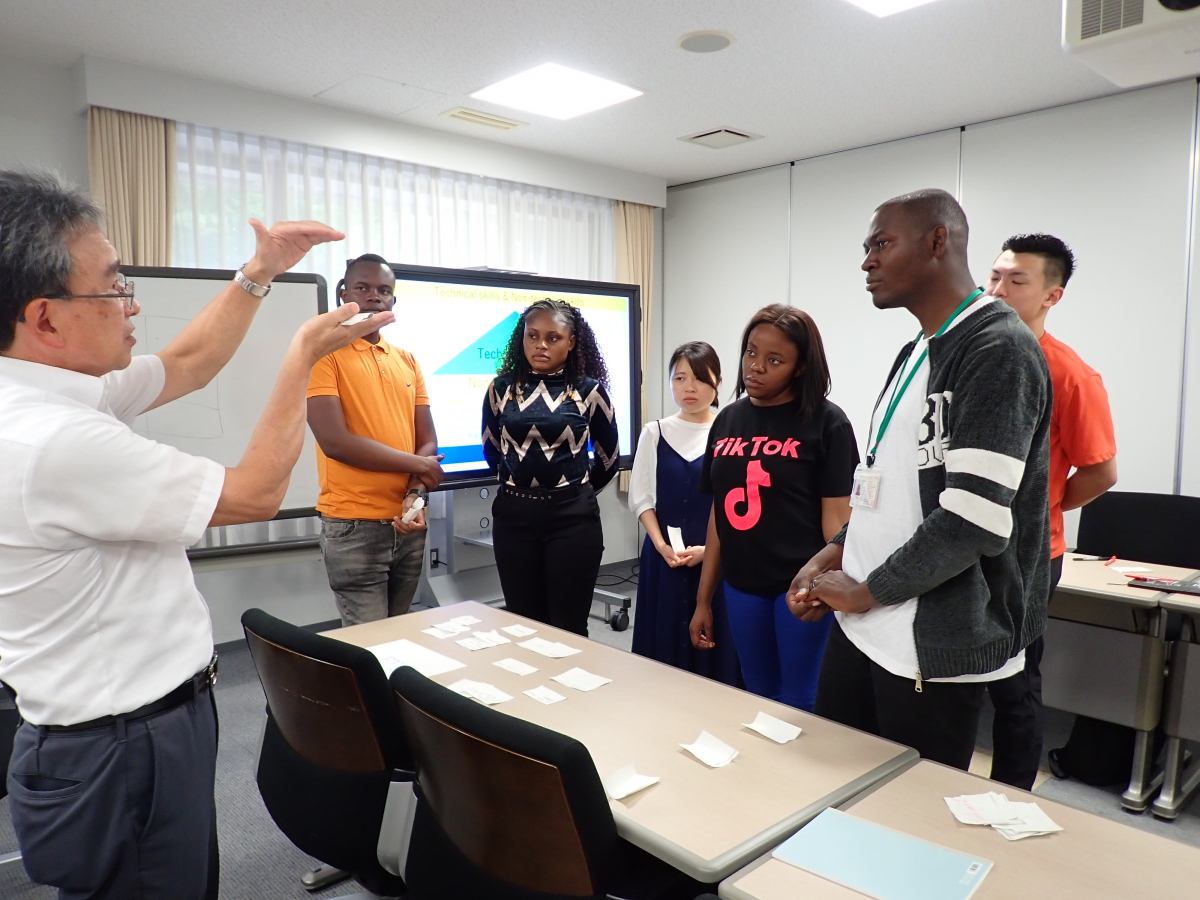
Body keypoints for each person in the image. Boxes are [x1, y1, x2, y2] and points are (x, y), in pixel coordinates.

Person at [0, 171, 384, 899]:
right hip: (120, 744)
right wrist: (302, 358)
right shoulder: (54, 440)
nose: (132, 303)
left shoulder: (45, 391)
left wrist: (260, 272)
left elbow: (188, 363)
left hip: (126, 726)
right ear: (45, 318)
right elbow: (256, 492)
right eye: (112, 288)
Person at [788, 189, 1051, 770]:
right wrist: (833, 554)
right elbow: (886, 485)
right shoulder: (916, 350)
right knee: (832, 786)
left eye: (881, 244)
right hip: (863, 622)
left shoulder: (999, 349)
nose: (867, 262)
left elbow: (972, 520)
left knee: (908, 811)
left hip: (926, 641)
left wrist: (862, 591)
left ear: (937, 241)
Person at [985, 233, 1117, 789]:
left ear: (1051, 296)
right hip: (968, 541)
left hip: (1028, 554)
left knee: (1015, 681)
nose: (997, 290)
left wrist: (1041, 509)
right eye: (994, 276)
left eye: (1016, 281)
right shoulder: (973, 355)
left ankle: (1011, 795)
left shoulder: (1070, 374)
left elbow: (1100, 471)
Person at [690, 305, 857, 711]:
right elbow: (719, 518)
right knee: (758, 694)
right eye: (751, 352)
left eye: (774, 360)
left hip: (801, 587)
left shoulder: (827, 423)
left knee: (801, 701)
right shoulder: (727, 421)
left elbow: (839, 524)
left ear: (801, 367)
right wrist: (703, 599)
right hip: (741, 586)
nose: (756, 367)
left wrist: (836, 588)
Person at [307, 254, 445, 626]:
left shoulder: (407, 360)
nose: (374, 296)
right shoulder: (323, 356)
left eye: (384, 290)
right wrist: (419, 465)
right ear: (343, 294)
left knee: (400, 634)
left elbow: (427, 440)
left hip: (407, 520)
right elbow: (336, 442)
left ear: (393, 301)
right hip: (354, 527)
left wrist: (415, 492)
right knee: (369, 645)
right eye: (362, 287)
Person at [482, 298, 619, 635]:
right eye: (533, 336)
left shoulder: (589, 391)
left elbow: (608, 459)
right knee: (523, 625)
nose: (540, 345)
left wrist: (572, 493)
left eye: (552, 338)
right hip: (513, 520)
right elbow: (492, 450)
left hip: (572, 522)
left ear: (570, 342)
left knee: (568, 628)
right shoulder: (500, 389)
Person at [629, 342, 739, 685]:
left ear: (717, 382)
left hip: (715, 557)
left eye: (700, 378)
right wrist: (661, 545)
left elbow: (737, 506)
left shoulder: (731, 434)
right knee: (662, 644)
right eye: (679, 378)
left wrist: (710, 551)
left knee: (716, 644)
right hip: (664, 559)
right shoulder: (655, 432)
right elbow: (642, 499)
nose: (689, 388)